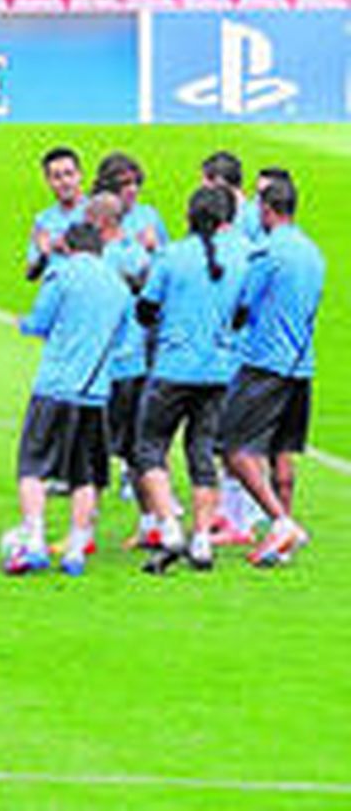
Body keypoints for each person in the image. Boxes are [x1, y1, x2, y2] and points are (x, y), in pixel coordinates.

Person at [4, 223, 130, 577]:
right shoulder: (118, 285)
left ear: (70, 247)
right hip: (95, 390)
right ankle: (76, 549)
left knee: (32, 466)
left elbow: (41, 321)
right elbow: (122, 337)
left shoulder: (61, 275)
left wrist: (22, 323)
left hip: (55, 387)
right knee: (85, 474)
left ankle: (35, 541)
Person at [134, 187, 249, 575]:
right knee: (201, 451)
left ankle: (169, 528)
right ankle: (201, 538)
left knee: (149, 447)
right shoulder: (243, 256)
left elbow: (146, 310)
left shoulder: (171, 256)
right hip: (218, 368)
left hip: (174, 367)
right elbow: (242, 314)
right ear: (226, 219)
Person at [220, 176, 324, 567]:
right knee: (283, 448)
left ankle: (281, 523)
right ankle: (282, 535)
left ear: (266, 210)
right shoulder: (313, 251)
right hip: (301, 362)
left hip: (266, 361)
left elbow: (243, 304)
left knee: (233, 445)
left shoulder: (266, 252)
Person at [86, 192, 154, 545]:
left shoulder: (99, 261)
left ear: (100, 221)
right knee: (135, 452)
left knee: (91, 452)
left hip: (108, 368)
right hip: (138, 364)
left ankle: (83, 533)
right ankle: (153, 523)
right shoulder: (138, 253)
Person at [25, 147, 86, 281]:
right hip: (56, 296)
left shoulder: (99, 211)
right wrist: (44, 254)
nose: (64, 182)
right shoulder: (43, 221)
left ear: (80, 175)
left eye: (69, 174)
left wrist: (72, 248)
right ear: (48, 181)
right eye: (57, 177)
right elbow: (30, 275)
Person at [94, 152, 168, 252]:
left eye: (136, 183)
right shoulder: (92, 215)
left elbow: (166, 254)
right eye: (125, 184)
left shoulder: (148, 215)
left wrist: (154, 247)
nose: (133, 189)